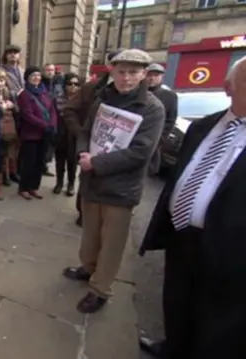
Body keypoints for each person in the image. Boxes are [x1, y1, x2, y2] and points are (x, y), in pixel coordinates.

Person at [138, 56, 246, 359]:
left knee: (217, 319)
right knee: (176, 298)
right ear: (229, 88)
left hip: (230, 249)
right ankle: (173, 346)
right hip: (181, 234)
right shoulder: (202, 126)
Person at [62, 49, 165, 314]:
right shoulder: (102, 98)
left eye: (133, 72)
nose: (126, 78)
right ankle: (88, 268)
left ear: (143, 74)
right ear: (112, 71)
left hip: (121, 189)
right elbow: (86, 131)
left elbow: (141, 151)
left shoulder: (153, 108)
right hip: (92, 182)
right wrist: (83, 153)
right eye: (121, 71)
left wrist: (96, 163)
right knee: (90, 233)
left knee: (112, 243)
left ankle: (100, 289)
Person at [63, 48, 124, 227]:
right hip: (92, 147)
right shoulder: (91, 87)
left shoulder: (144, 98)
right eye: (117, 65)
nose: (124, 74)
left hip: (120, 151)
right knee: (88, 181)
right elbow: (68, 110)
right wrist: (82, 133)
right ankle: (84, 214)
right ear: (109, 66)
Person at [16, 66, 57, 200]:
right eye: (33, 75)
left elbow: (52, 110)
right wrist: (44, 125)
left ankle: (34, 187)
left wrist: (52, 124)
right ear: (27, 78)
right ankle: (24, 188)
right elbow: (27, 114)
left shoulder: (45, 93)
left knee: (40, 162)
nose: (36, 78)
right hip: (30, 135)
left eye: (38, 75)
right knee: (29, 162)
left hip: (44, 134)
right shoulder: (24, 94)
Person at [0, 68, 18, 200]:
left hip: (6, 132)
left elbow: (18, 111)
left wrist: (12, 106)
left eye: (2, 80)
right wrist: (1, 109)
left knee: (3, 159)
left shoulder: (8, 94)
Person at [146, 63, 178, 175]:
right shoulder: (137, 93)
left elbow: (171, 120)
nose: (152, 78)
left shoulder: (170, 96)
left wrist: (161, 139)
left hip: (155, 140)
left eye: (156, 75)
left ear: (161, 77)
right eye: (149, 75)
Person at [53, 73, 82, 196]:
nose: (73, 87)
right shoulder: (58, 98)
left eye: (76, 84)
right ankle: (59, 183)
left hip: (74, 134)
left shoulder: (82, 99)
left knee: (72, 161)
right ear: (65, 85)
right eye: (70, 84)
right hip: (61, 132)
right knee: (60, 160)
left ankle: (71, 184)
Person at [0, 45, 25, 185]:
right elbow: (2, 90)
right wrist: (18, 94)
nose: (13, 55)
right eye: (10, 53)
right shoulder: (1, 71)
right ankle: (6, 174)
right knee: (7, 142)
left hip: (22, 111)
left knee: (17, 144)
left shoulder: (22, 71)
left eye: (15, 53)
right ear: (5, 55)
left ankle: (14, 171)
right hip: (8, 110)